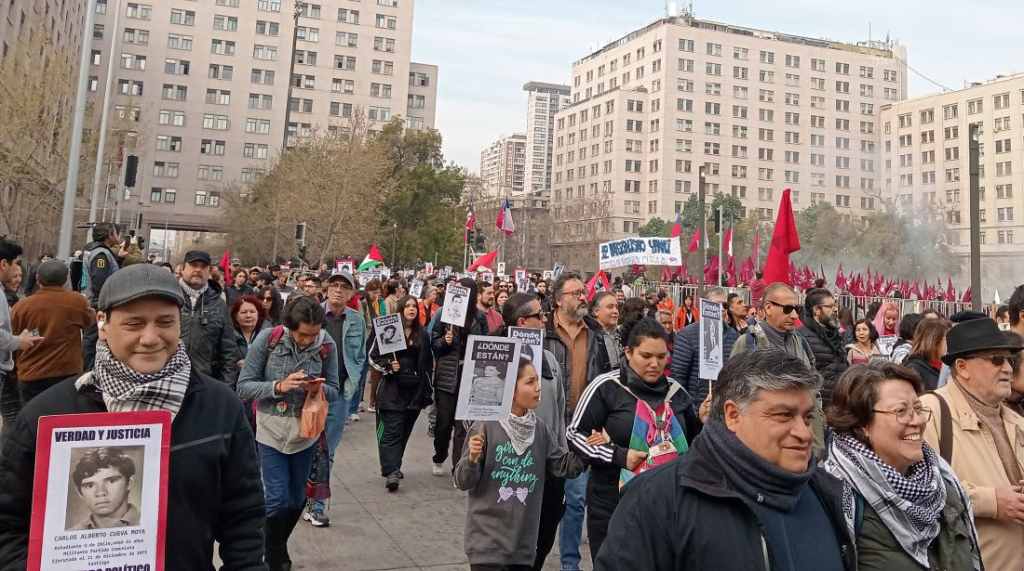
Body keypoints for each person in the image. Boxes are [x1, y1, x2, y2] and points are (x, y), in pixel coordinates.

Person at [0, 263, 265, 569]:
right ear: (103, 323)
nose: (150, 338)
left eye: (165, 322)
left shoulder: (220, 408)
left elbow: (244, 517)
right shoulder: (47, 415)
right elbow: (8, 523)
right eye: (134, 324)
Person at [598, 348, 854, 570]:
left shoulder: (827, 493)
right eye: (783, 416)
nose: (804, 433)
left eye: (807, 417)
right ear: (733, 415)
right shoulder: (656, 500)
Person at [567, 316, 701, 564]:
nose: (655, 364)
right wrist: (618, 455)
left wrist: (704, 420)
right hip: (612, 507)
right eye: (646, 356)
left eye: (661, 357)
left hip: (668, 510)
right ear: (628, 352)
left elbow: (697, 444)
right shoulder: (606, 387)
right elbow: (575, 434)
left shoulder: (677, 393)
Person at [823, 363, 982, 570]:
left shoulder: (941, 481)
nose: (917, 420)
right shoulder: (836, 497)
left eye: (917, 408)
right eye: (901, 411)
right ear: (862, 424)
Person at [455, 357, 593, 571]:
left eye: (538, 381)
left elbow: (564, 466)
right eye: (530, 382)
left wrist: (590, 447)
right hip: (487, 544)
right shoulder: (485, 427)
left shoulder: (540, 430)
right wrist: (472, 459)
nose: (538, 388)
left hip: (523, 546)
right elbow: (463, 481)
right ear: (510, 388)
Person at [237, 295, 340, 571]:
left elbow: (335, 389)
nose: (308, 340)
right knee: (277, 498)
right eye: (303, 335)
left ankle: (275, 546)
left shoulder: (326, 344)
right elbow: (244, 386)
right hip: (271, 428)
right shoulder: (269, 340)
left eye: (314, 335)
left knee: (296, 498)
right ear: (290, 327)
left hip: (306, 430)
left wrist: (315, 388)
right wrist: (279, 386)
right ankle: (274, 555)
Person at [919, 318, 1024, 571]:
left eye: (1009, 360)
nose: (1008, 369)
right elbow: (917, 491)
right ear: (963, 367)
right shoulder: (928, 412)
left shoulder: (1015, 419)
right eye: (996, 360)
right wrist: (991, 502)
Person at [544, 272, 611, 571]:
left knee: (575, 501)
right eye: (575, 293)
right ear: (559, 300)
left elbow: (611, 379)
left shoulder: (597, 335)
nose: (583, 297)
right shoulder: (542, 333)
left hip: (583, 429)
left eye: (583, 292)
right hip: (547, 425)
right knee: (541, 501)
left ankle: (569, 563)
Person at [497, 292, 568, 570]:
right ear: (522, 322)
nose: (545, 319)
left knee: (543, 537)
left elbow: (559, 414)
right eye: (539, 315)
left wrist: (561, 460)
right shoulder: (495, 358)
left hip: (548, 468)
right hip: (510, 468)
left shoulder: (549, 360)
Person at [304, 269, 366, 526]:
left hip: (340, 393)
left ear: (351, 293)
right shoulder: (312, 314)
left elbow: (360, 355)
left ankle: (316, 504)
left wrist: (352, 384)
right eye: (335, 285)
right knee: (303, 446)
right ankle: (298, 496)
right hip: (310, 392)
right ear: (327, 289)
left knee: (327, 451)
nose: (339, 290)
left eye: (345, 286)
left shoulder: (357, 320)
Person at [369, 295, 431, 492]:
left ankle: (393, 464)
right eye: (408, 306)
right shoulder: (388, 329)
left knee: (404, 431)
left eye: (415, 306)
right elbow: (373, 356)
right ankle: (392, 471)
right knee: (392, 432)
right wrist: (388, 364)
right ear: (401, 308)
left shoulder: (423, 334)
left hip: (413, 391)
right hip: (391, 389)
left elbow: (428, 364)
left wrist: (426, 390)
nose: (411, 309)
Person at [10, 260, 93, 404]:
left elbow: (13, 340)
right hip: (67, 375)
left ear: (37, 279)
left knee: (34, 421)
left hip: (30, 375)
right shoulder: (77, 302)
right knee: (61, 421)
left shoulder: (21, 307)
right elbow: (90, 323)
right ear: (66, 278)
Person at [431, 278, 488, 475]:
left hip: (469, 376)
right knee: (443, 423)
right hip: (447, 377)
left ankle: (458, 467)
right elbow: (434, 345)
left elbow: (485, 345)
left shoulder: (479, 318)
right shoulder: (443, 314)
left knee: (462, 426)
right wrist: (444, 342)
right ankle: (439, 456)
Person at [671, 287, 738, 410]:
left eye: (724, 305)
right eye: (716, 305)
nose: (721, 309)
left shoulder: (733, 335)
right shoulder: (687, 335)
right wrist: (689, 411)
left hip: (724, 409)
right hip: (696, 410)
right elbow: (678, 378)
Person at [178, 251, 239, 385]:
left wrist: (225, 388)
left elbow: (229, 352)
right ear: (182, 269)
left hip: (205, 384)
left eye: (203, 266)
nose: (198, 269)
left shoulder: (219, 304)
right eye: (193, 265)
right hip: (168, 383)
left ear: (209, 271)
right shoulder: (168, 299)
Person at [81, 222, 123, 370]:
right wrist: (105, 302)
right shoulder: (101, 254)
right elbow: (100, 280)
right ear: (109, 235)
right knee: (93, 338)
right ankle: (89, 370)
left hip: (96, 302)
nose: (119, 236)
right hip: (98, 304)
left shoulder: (97, 251)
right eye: (116, 233)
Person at [798, 288, 849, 407]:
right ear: (817, 310)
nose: (836, 310)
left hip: (839, 404)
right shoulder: (802, 337)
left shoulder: (835, 334)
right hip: (818, 407)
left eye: (835, 305)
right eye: (830, 306)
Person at [68, 447, 141, 530]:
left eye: (111, 481)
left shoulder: (150, 525)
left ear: (129, 483)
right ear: (79, 492)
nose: (100, 492)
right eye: (90, 485)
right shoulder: (72, 533)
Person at [902, 319, 951, 391]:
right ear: (934, 342)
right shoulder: (914, 369)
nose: (950, 344)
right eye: (947, 340)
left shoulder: (945, 365)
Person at [587, 291, 621, 370]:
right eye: (610, 307)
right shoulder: (589, 339)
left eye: (617, 307)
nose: (615, 311)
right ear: (596, 311)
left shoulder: (618, 335)